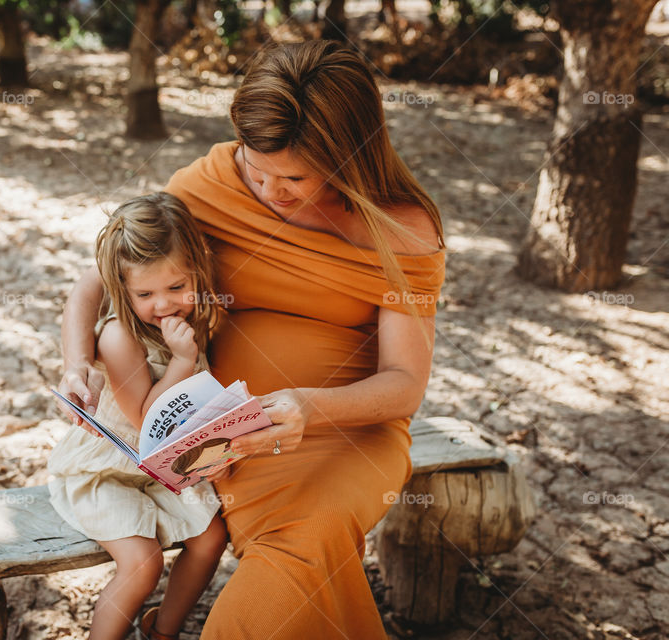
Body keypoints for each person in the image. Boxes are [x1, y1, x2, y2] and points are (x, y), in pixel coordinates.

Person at [59, 41, 445, 639]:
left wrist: (307, 406)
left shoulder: (402, 230)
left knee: (309, 539)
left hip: (342, 432)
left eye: (294, 176)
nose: (269, 190)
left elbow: (404, 387)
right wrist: (76, 364)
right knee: (301, 568)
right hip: (219, 443)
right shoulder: (211, 183)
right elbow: (98, 281)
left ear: (348, 157)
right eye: (255, 167)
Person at [47, 192, 228, 640]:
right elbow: (149, 421)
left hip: (161, 466)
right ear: (122, 289)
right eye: (144, 294)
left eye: (175, 288)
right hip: (106, 470)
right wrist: (184, 361)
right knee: (142, 563)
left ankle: (163, 630)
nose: (163, 304)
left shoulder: (193, 318)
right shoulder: (119, 337)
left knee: (211, 539)